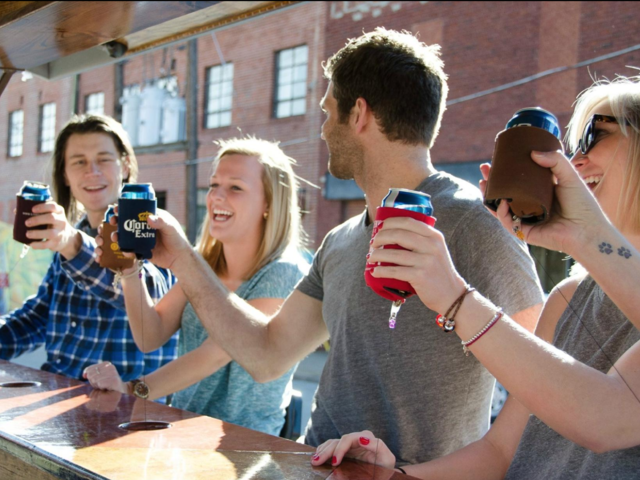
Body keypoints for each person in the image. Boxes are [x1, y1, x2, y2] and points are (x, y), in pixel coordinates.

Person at [130, 28, 543, 462]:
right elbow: (267, 354)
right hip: (315, 467)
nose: (324, 130)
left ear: (359, 114)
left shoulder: (473, 221)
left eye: (329, 112)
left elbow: (543, 380)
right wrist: (183, 258)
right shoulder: (340, 241)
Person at [313, 77, 640, 479]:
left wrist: (454, 296)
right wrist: (394, 476)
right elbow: (500, 453)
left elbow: (605, 418)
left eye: (595, 134)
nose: (575, 161)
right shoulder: (568, 298)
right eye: (573, 148)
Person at [85, 137, 309, 436]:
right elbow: (149, 336)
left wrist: (133, 389)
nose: (217, 196)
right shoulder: (205, 267)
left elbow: (214, 354)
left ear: (269, 203)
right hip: (183, 431)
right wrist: (129, 270)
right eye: (214, 184)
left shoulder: (285, 272)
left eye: (235, 187)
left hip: (245, 442)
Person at [0, 114, 177, 381]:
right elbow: (36, 319)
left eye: (104, 159)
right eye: (79, 161)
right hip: (59, 398)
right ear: (65, 175)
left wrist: (72, 244)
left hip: (128, 407)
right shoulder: (72, 236)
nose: (92, 171)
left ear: (125, 165)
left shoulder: (153, 226)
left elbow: (153, 295)